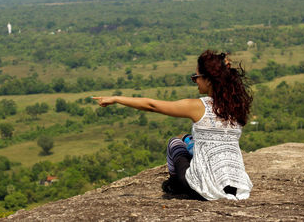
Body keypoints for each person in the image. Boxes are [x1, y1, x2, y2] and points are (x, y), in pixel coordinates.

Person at [93, 50, 253, 201]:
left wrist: (115, 99)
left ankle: (174, 184)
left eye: (196, 77)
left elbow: (152, 105)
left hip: (207, 188)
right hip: (238, 186)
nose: (195, 80)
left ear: (209, 80)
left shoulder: (199, 106)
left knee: (175, 143)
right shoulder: (236, 106)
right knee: (188, 139)